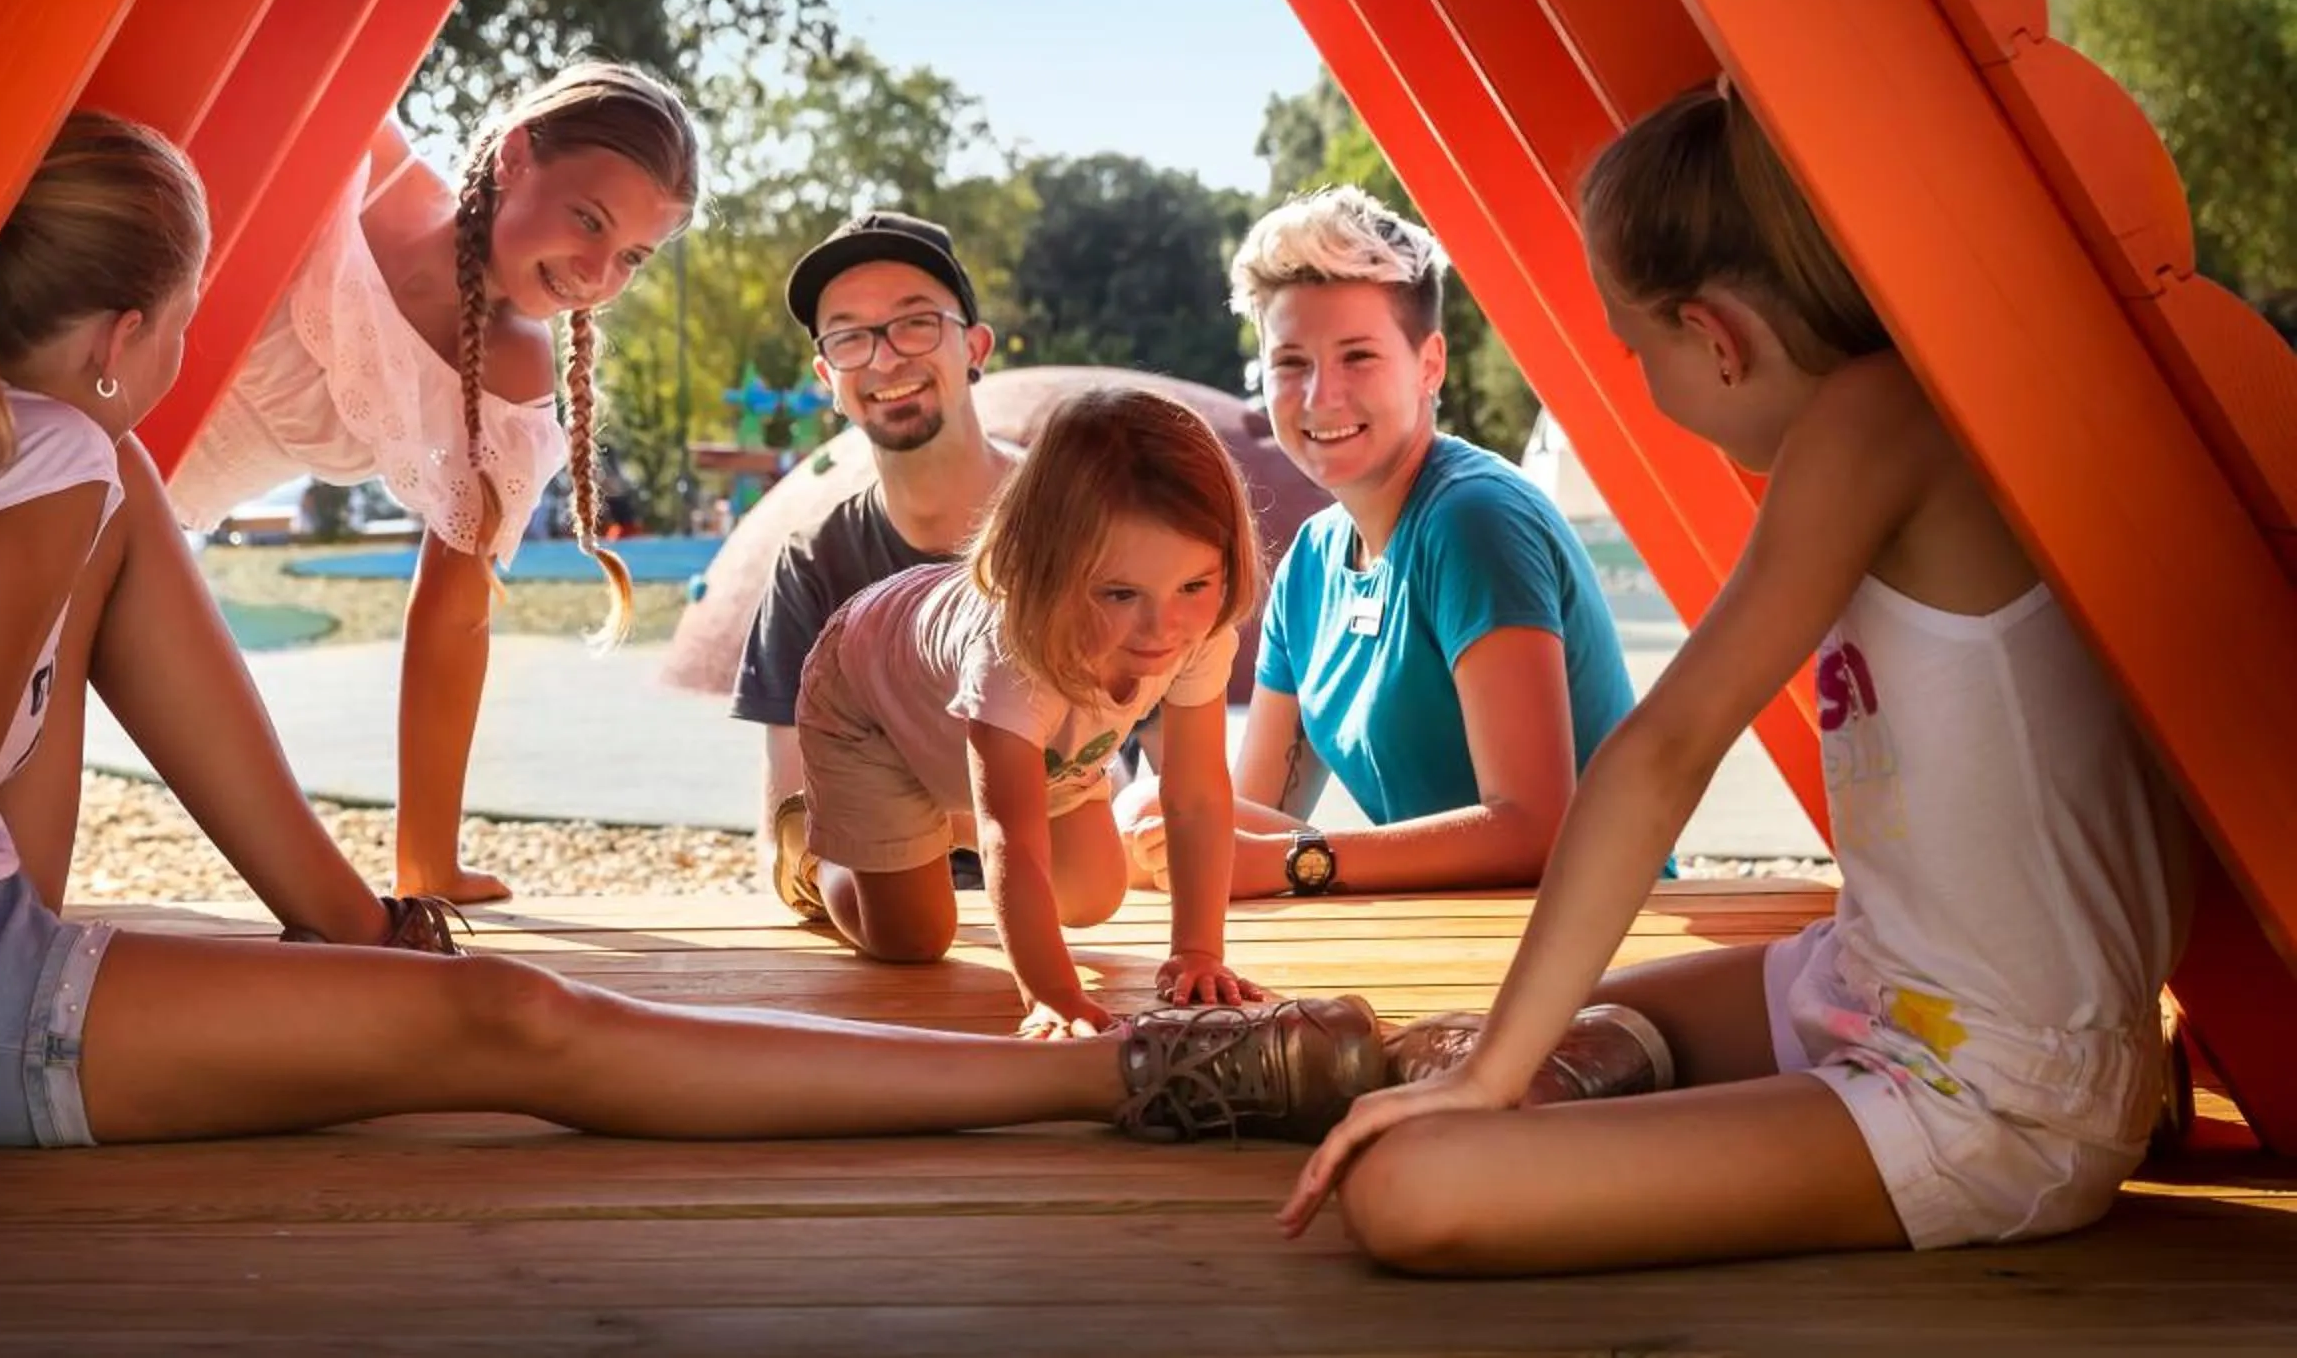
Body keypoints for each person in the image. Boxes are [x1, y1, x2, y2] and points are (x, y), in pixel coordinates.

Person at [0, 112, 1560, 1234]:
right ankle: (1103, 1083)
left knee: (452, 987)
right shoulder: (55, 456)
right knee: (525, 1033)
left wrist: (350, 921)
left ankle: (340, 919)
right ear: (127, 326)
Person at [1277, 83, 2191, 1274]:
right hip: (1885, 981)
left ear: (1714, 335)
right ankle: (1577, 1103)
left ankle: (1554, 1115)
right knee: (1581, 1022)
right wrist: (1505, 1053)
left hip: (1991, 1090)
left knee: (1411, 1188)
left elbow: (1662, 755)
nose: (1643, 383)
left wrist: (1500, 1074)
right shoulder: (1917, 414)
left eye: (1633, 345)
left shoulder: (1875, 423)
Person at [164, 62, 698, 905]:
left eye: (631, 256)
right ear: (517, 158)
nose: (598, 274)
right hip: (46, 415)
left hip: (128, 519)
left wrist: (427, 863)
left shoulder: (510, 371)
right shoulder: (363, 165)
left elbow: (454, 614)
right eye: (588, 221)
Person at [1117, 188, 1638, 902]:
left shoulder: (1474, 520)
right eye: (1291, 362)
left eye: (1357, 357)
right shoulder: (1310, 561)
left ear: (1429, 365)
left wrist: (1294, 864)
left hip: (1587, 930)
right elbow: (1245, 818)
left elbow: (1538, 832)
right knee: (1147, 818)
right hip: (1447, 925)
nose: (1320, 396)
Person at [787, 388, 1275, 1039]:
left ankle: (946, 819)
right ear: (1051, 569)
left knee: (1095, 893)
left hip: (983, 739)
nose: (1164, 627)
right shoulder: (1015, 656)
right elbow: (1011, 839)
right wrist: (1052, 993)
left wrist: (1197, 951)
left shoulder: (1199, 631)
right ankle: (818, 853)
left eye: (1194, 584)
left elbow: (1197, 796)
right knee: (913, 938)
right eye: (1120, 593)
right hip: (872, 709)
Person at [732, 211, 1021, 916]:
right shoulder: (814, 563)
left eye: (915, 322)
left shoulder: (1083, 522)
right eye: (851, 337)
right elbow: (794, 837)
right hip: (882, 918)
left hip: (1084, 913)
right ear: (828, 376)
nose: (886, 358)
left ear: (974, 346)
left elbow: (1168, 797)